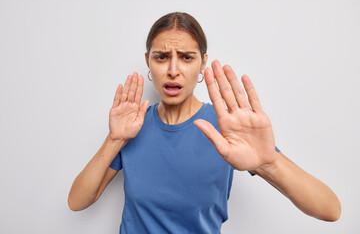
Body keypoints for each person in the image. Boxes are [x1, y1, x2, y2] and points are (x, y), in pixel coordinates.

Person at [68, 12, 341, 233]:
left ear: (202, 64)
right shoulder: (132, 126)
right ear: (148, 62)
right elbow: (78, 201)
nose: (173, 70)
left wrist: (267, 163)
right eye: (161, 57)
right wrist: (114, 139)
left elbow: (330, 209)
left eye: (187, 57)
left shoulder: (227, 125)